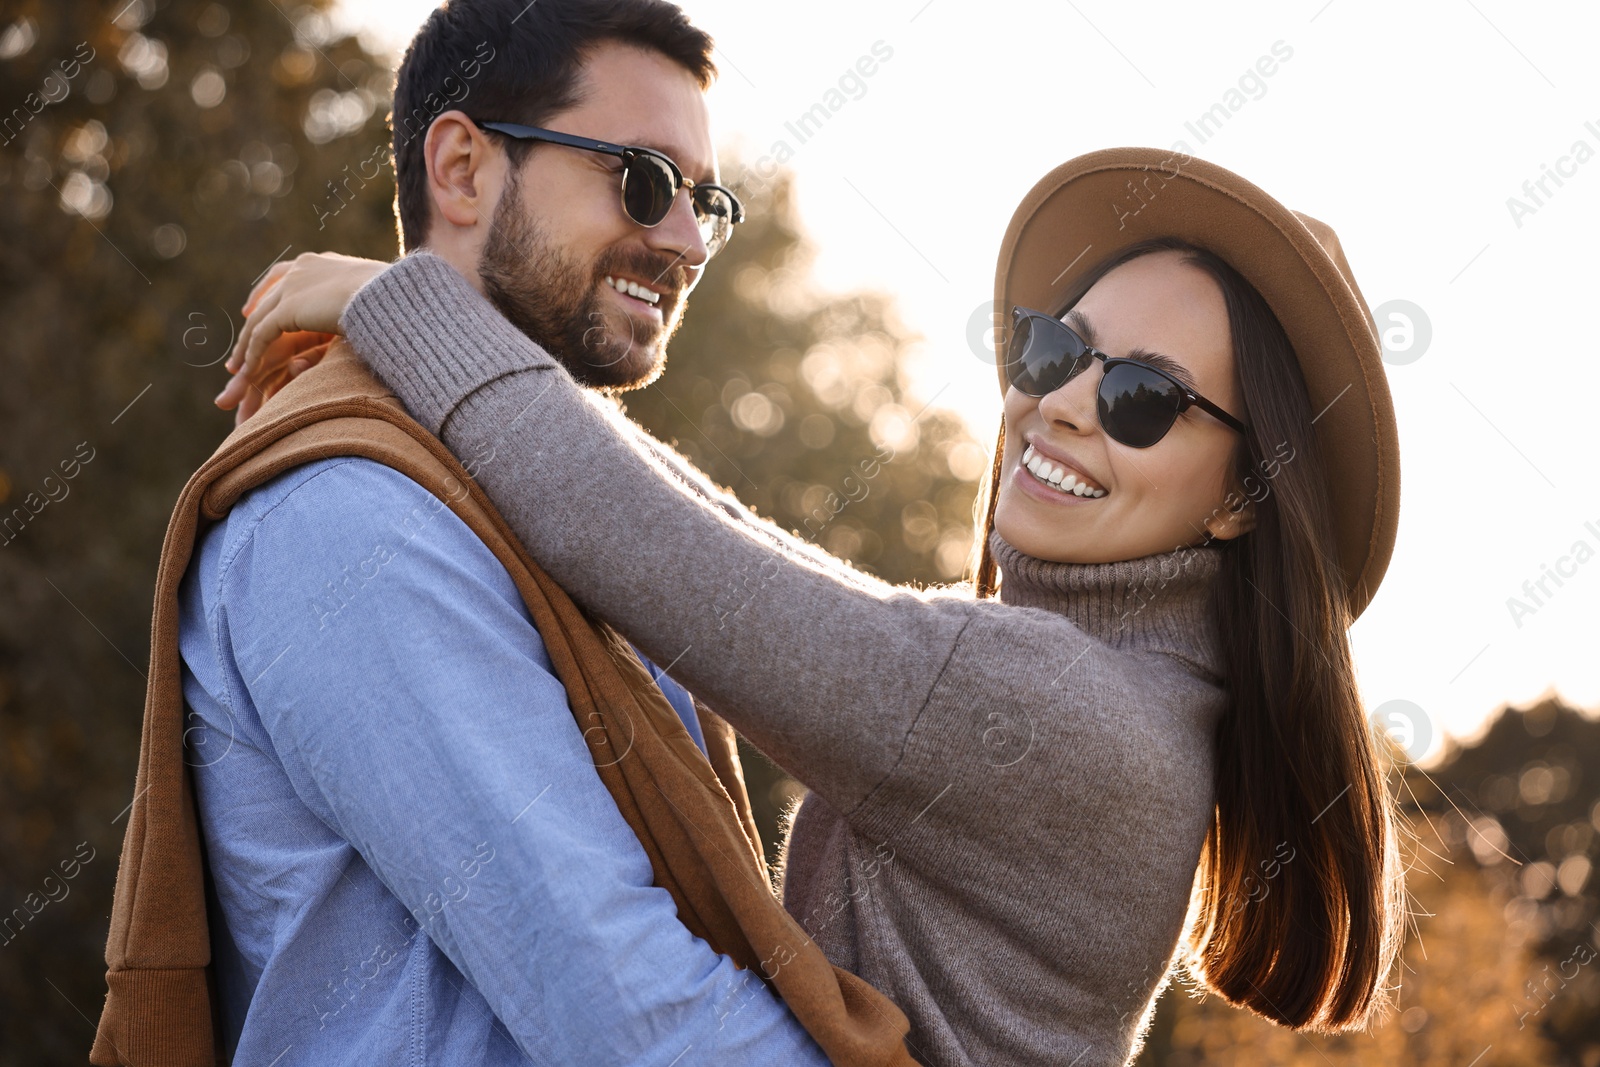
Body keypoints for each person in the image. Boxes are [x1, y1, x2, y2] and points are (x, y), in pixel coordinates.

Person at [227, 146, 1409, 1065]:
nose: (1060, 406)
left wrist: (403, 303)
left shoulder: (1062, 708)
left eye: (1145, 395)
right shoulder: (1112, 691)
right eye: (1054, 352)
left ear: (1244, 499)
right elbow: (734, 550)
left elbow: (672, 561)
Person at [94, 2, 917, 1065]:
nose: (686, 240)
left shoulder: (558, 514)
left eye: (705, 201)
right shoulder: (355, 516)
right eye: (644, 181)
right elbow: (626, 1012)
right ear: (464, 170)